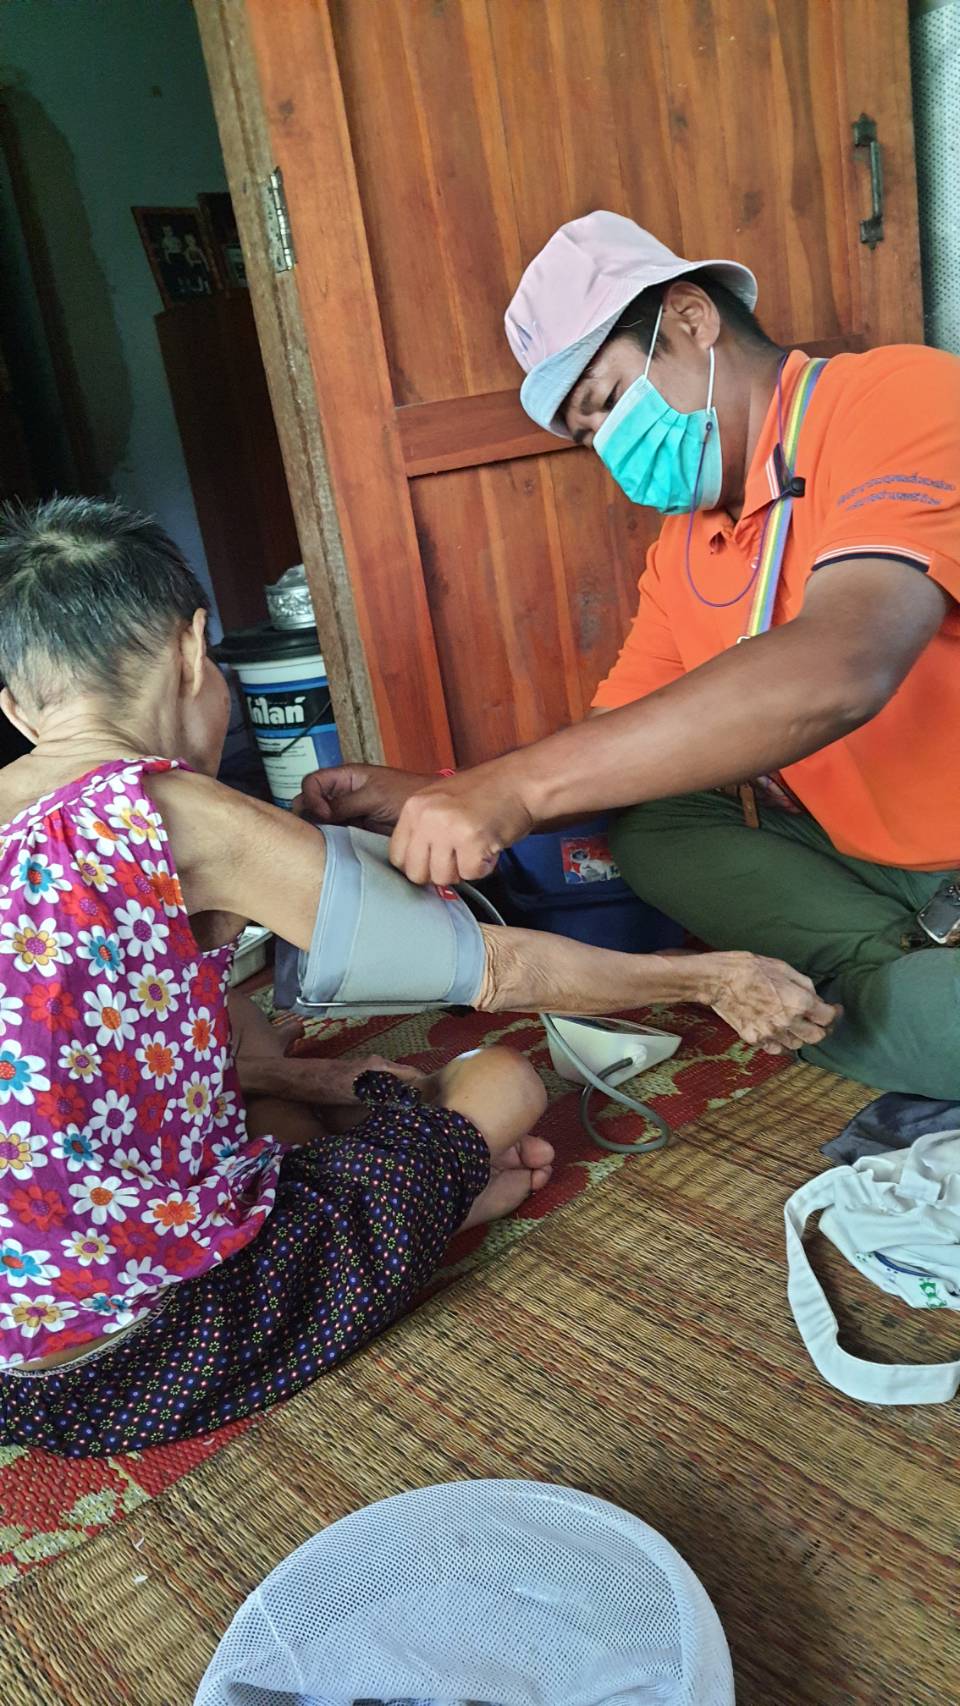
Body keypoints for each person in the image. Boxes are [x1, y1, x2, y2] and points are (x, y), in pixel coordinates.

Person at [0, 499, 830, 1456]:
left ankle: (388, 1194)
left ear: (18, 708)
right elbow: (498, 969)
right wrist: (710, 978)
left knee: (243, 1032)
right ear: (193, 652)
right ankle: (426, 1213)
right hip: (142, 1363)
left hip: (19, 1374)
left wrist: (305, 1073)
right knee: (500, 1082)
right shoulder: (176, 815)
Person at [303, 211, 960, 1101]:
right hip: (868, 864)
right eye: (589, 437)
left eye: (610, 401)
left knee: (887, 1014)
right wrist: (441, 792)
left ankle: (874, 1000)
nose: (612, 448)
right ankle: (896, 978)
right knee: (655, 819)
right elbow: (615, 751)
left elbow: (844, 666)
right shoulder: (686, 547)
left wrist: (513, 790)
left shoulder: (895, 399)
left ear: (691, 317)